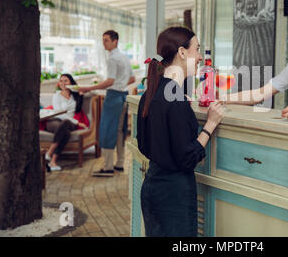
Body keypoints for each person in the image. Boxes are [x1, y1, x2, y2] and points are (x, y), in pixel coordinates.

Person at [136, 26, 224, 237]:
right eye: (197, 49)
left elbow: (144, 144)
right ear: (182, 53)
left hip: (151, 187)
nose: (201, 56)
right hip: (173, 196)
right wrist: (211, 124)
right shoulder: (174, 97)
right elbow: (187, 158)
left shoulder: (151, 91)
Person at [78, 30, 136, 177]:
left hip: (113, 97)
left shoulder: (112, 58)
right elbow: (132, 79)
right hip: (123, 96)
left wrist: (87, 88)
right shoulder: (124, 57)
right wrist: (121, 84)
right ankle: (120, 164)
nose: (103, 43)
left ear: (115, 41)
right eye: (103, 40)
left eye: (106, 40)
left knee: (106, 130)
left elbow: (110, 81)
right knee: (119, 131)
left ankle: (108, 166)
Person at [43, 74, 89, 171]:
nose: (63, 83)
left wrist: (80, 93)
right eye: (61, 81)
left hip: (69, 123)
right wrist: (77, 123)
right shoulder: (56, 96)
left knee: (66, 123)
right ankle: (53, 161)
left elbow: (78, 109)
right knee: (66, 132)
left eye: (66, 81)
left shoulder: (75, 96)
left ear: (71, 82)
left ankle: (49, 153)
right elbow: (59, 113)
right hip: (54, 121)